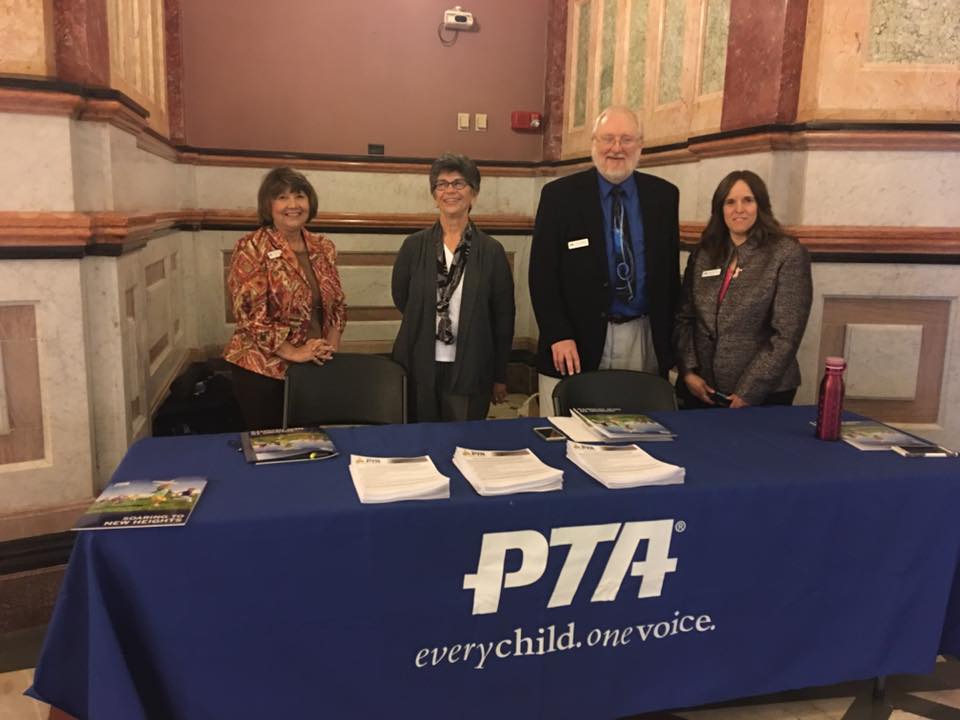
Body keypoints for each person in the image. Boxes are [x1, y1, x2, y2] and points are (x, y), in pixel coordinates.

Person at [529, 105, 681, 410]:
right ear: (593, 143)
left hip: (643, 337)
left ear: (640, 145)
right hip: (575, 341)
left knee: (640, 425)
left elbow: (669, 275)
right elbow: (542, 274)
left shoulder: (664, 196)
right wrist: (558, 334)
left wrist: (673, 344)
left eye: (627, 139)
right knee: (570, 428)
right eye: (608, 138)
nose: (616, 148)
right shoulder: (559, 196)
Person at [391, 153, 515, 422]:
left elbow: (503, 317)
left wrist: (499, 375)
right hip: (419, 362)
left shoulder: (491, 251)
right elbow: (402, 298)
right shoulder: (414, 246)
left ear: (474, 193)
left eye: (459, 183)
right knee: (421, 436)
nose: (450, 191)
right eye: (442, 184)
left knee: (463, 438)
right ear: (434, 194)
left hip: (472, 365)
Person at [673, 170, 812, 408]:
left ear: (761, 205)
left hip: (764, 394)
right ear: (720, 209)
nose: (739, 209)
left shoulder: (787, 254)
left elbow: (786, 335)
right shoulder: (704, 254)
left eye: (748, 200)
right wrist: (688, 371)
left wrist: (750, 391)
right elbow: (684, 318)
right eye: (730, 202)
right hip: (702, 390)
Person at [224, 167, 346, 430]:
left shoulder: (324, 247)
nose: (293, 205)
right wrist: (295, 353)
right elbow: (250, 316)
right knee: (273, 446)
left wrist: (330, 348)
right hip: (263, 369)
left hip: (314, 363)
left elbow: (337, 304)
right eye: (282, 197)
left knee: (312, 440)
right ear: (269, 205)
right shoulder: (251, 247)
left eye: (299, 196)